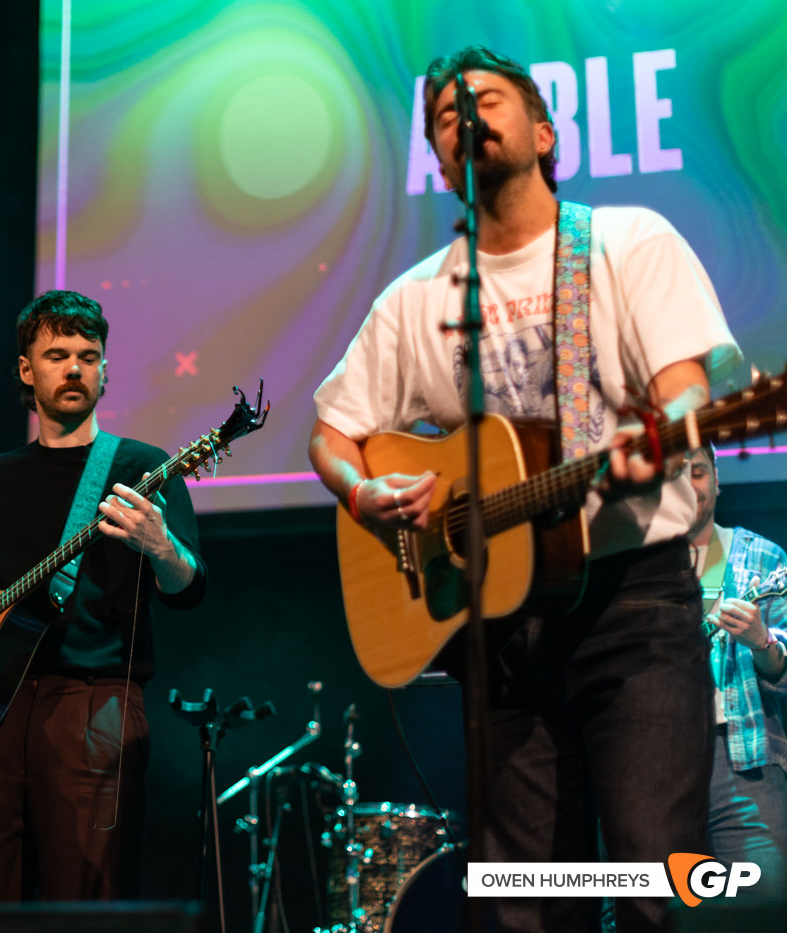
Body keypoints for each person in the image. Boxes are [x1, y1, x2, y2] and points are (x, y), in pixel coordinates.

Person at [308, 46, 740, 931]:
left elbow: (688, 390)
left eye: (489, 100)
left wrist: (653, 437)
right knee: (525, 908)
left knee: (656, 888)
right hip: (497, 639)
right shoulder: (414, 300)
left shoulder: (626, 241)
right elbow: (330, 432)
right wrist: (363, 494)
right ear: (436, 161)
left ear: (543, 132)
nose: (467, 115)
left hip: (635, 611)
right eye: (444, 116)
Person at [0, 289, 206, 902]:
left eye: (90, 355)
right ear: (27, 371)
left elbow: (189, 590)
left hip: (93, 707)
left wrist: (162, 547)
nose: (75, 367)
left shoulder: (143, 467)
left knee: (86, 901)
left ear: (105, 372)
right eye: (57, 354)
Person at [688, 445, 787, 900]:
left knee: (762, 901)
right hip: (653, 757)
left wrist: (761, 641)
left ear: (717, 479)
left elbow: (783, 670)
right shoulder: (631, 569)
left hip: (741, 758)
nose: (690, 487)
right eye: (675, 477)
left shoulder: (762, 557)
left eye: (698, 472)